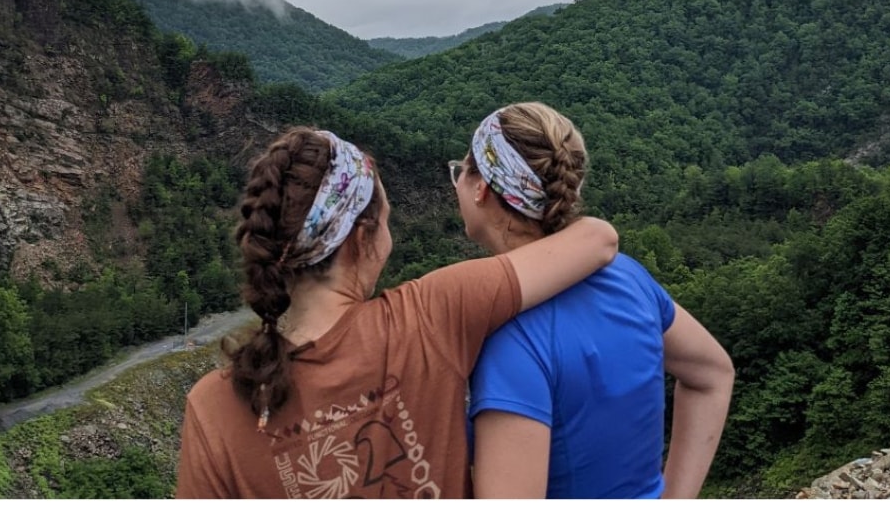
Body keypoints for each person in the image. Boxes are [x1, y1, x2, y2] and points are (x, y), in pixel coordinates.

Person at [175, 125, 619, 499]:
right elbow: (598, 239)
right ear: (362, 238)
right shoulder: (430, 314)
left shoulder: (212, 408)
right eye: (386, 219)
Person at [458, 102, 735, 499]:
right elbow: (713, 374)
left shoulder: (508, 334)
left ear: (481, 187)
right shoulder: (627, 277)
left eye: (460, 172)